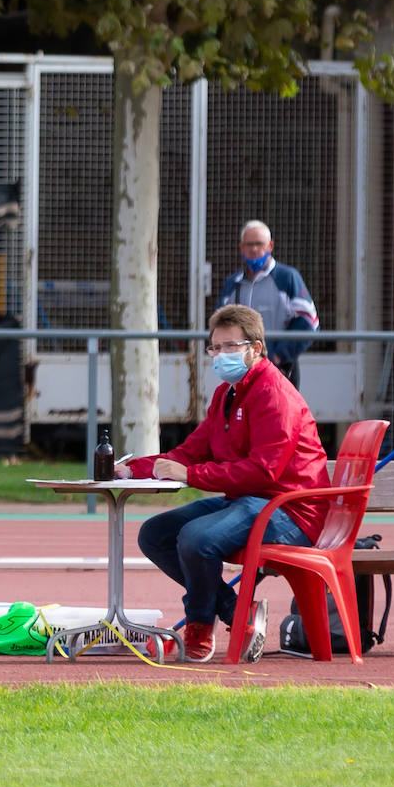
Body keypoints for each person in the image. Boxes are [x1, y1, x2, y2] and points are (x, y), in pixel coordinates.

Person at [118, 304, 329, 663]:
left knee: (197, 539)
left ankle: (200, 625)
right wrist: (132, 469)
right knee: (154, 534)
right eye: (215, 348)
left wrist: (191, 476)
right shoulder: (226, 394)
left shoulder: (274, 394)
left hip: (290, 511)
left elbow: (264, 472)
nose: (220, 355)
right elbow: (192, 451)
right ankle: (235, 611)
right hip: (249, 501)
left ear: (256, 349)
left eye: (231, 347)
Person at [218, 220, 319, 389]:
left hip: (279, 371)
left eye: (259, 244)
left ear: (270, 246)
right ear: (241, 248)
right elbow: (220, 323)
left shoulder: (287, 278)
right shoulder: (233, 283)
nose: (254, 249)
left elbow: (309, 322)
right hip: (240, 372)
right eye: (249, 245)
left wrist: (279, 355)